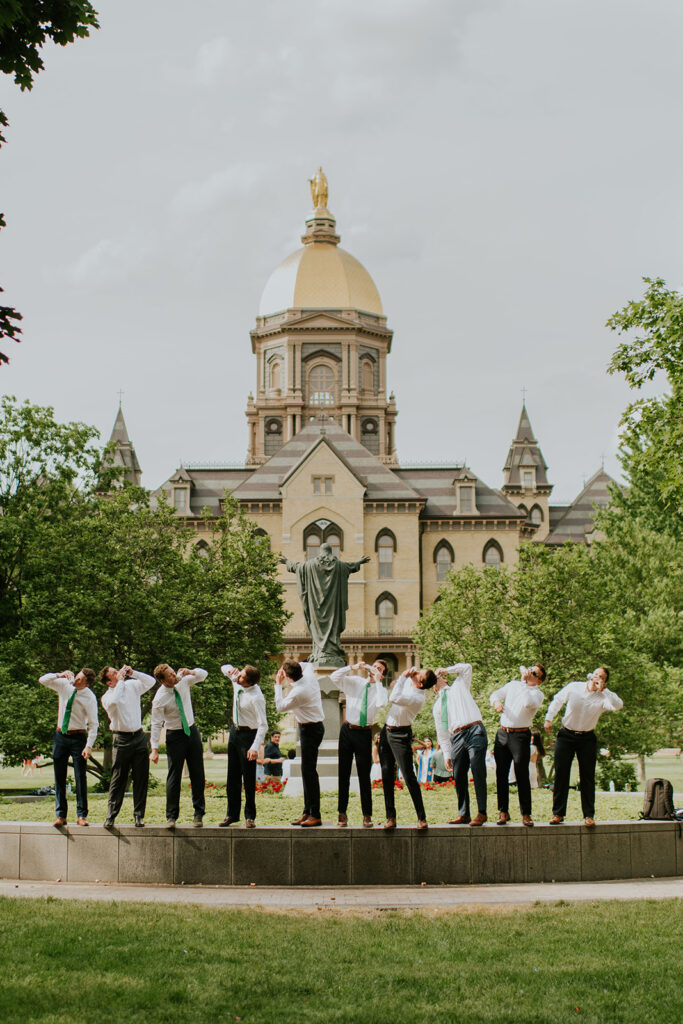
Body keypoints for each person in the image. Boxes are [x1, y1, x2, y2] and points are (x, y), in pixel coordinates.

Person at [544, 666, 623, 827]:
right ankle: (558, 813)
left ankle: (588, 815)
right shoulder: (575, 687)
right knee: (561, 774)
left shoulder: (603, 698)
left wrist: (605, 690)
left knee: (587, 776)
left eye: (601, 677)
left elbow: (618, 705)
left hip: (587, 738)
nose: (596, 678)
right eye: (595, 675)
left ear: (605, 681)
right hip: (566, 735)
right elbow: (558, 700)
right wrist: (549, 718)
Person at [279, 545, 370, 666]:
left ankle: (320, 653)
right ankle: (329, 653)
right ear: (330, 552)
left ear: (320, 552)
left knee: (318, 628)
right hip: (334, 607)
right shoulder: (339, 565)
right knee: (333, 627)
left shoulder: (310, 565)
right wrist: (360, 561)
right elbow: (351, 566)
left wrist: (286, 562)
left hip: (315, 607)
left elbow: (297, 567)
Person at [330, 659, 388, 828]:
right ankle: (342, 814)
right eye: (374, 666)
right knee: (344, 773)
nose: (375, 669)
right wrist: (351, 667)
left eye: (379, 669)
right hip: (347, 730)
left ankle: (367, 815)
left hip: (364, 732)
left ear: (382, 674)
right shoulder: (355, 682)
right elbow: (334, 677)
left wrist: (377, 682)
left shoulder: (380, 690)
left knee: (364, 775)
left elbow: (382, 703)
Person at [150, 664, 207, 828]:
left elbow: (203, 675)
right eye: (170, 676)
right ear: (162, 680)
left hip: (191, 731)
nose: (174, 677)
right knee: (174, 776)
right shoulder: (159, 698)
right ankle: (171, 816)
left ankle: (198, 813)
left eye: (173, 673)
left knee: (197, 774)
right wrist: (154, 748)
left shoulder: (182, 681)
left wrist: (192, 672)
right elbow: (156, 724)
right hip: (174, 736)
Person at [39, 668, 98, 827]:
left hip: (78, 737)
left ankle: (81, 815)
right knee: (59, 776)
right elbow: (43, 680)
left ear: (86, 683)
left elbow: (94, 723)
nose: (76, 681)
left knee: (80, 777)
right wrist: (59, 674)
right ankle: (60, 815)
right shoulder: (65, 685)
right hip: (61, 736)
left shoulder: (89, 697)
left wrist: (89, 746)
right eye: (77, 677)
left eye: (80, 680)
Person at [379, 667, 437, 830]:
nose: (415, 671)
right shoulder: (411, 687)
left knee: (408, 775)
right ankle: (390, 817)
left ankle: (421, 817)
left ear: (420, 683)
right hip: (387, 731)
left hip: (400, 734)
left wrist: (404, 676)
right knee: (386, 773)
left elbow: (394, 697)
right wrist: (400, 681)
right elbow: (395, 686)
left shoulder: (417, 697)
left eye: (419, 673)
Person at [100, 664, 156, 828]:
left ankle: (139, 815)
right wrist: (121, 681)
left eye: (117, 671)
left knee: (141, 778)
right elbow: (116, 700)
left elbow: (151, 682)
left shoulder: (131, 685)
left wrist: (134, 673)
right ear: (109, 682)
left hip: (138, 736)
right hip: (121, 738)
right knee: (118, 778)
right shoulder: (107, 697)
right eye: (114, 674)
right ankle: (111, 815)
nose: (118, 674)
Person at [489, 665, 546, 827]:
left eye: (534, 673)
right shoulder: (513, 685)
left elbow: (528, 704)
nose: (530, 673)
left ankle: (526, 813)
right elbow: (495, 694)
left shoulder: (537, 694)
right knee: (501, 773)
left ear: (539, 680)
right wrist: (496, 702)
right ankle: (503, 811)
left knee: (522, 774)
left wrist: (524, 683)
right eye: (530, 669)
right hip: (503, 733)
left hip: (521, 735)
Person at [436, 663, 489, 826]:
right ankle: (464, 813)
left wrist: (446, 669)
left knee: (477, 768)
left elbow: (467, 667)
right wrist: (446, 754)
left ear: (445, 679)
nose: (438, 679)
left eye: (440, 677)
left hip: (474, 729)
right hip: (456, 737)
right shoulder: (437, 706)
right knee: (458, 775)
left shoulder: (459, 685)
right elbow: (442, 734)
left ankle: (481, 812)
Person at [275, 661, 325, 826]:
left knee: (309, 772)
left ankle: (315, 814)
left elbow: (280, 707)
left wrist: (277, 684)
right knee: (306, 771)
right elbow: (308, 664)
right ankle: (307, 811)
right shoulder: (309, 676)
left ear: (288, 677)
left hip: (310, 730)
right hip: (312, 728)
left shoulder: (298, 692)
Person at [218, 664, 267, 829]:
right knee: (232, 776)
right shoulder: (237, 681)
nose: (238, 679)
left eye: (242, 678)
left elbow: (263, 725)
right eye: (239, 675)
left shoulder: (257, 697)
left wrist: (254, 747)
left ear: (250, 683)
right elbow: (223, 668)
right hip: (235, 732)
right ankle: (231, 814)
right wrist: (230, 670)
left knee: (249, 778)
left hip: (249, 735)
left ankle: (250, 816)